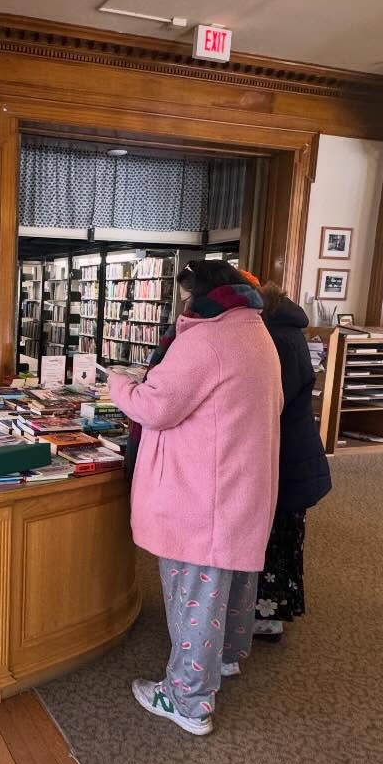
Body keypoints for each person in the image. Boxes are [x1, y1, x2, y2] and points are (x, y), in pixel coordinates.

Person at [107, 260, 282, 736]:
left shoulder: (206, 339)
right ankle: (222, 658)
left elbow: (155, 406)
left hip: (201, 492)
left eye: (185, 296)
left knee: (195, 593)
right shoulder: (255, 332)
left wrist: (118, 382)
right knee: (228, 582)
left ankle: (188, 700)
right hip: (240, 483)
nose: (182, 305)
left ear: (202, 295)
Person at [254, 282, 332, 640]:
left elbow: (272, 399)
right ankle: (269, 609)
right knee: (282, 534)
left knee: (276, 535)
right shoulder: (287, 332)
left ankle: (267, 614)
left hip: (285, 454)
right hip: (292, 450)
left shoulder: (275, 340)